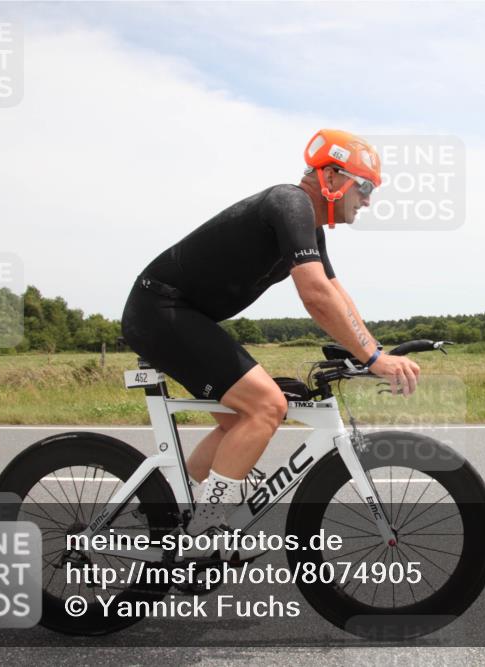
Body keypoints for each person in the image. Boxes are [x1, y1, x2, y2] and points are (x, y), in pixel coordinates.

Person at [120, 129, 420, 557]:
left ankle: (164, 510)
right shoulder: (290, 203)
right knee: (266, 406)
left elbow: (336, 295)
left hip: (178, 314)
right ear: (331, 177)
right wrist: (371, 357)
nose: (368, 201)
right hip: (159, 309)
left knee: (239, 419)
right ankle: (205, 530)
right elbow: (315, 295)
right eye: (365, 187)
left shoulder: (310, 228)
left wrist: (375, 351)